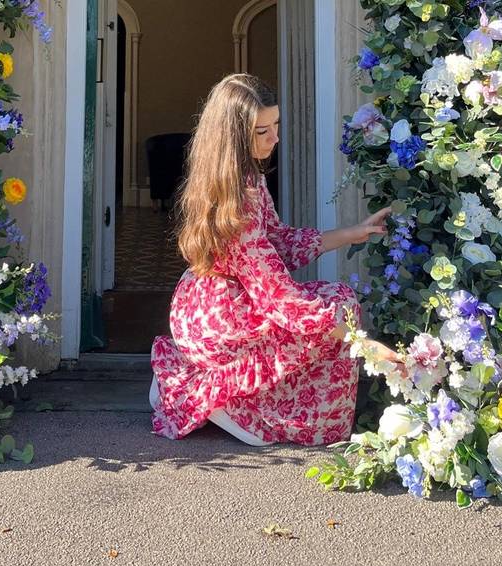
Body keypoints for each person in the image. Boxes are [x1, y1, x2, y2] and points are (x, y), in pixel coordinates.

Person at [149, 73, 400, 447]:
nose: (275, 138)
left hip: (205, 306)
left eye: (275, 125)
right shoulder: (239, 199)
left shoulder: (240, 175)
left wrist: (354, 232)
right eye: (262, 131)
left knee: (333, 305)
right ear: (234, 136)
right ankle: (221, 403)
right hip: (221, 320)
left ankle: (223, 396)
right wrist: (366, 346)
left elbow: (277, 242)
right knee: (337, 307)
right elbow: (279, 297)